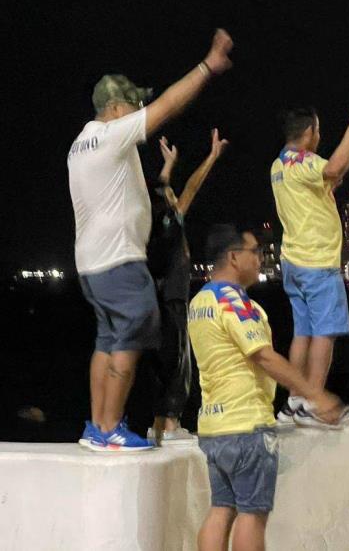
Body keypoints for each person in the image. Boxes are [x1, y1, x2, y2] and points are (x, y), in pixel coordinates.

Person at [69, 29, 233, 451]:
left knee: (108, 339)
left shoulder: (80, 144)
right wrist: (207, 67)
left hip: (90, 264)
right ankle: (110, 429)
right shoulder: (112, 134)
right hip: (119, 261)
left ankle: (97, 427)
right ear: (117, 107)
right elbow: (168, 106)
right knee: (137, 327)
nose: (139, 108)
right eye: (134, 104)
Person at [189, 225, 349, 551]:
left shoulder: (199, 301)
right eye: (255, 252)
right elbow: (263, 356)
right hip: (246, 425)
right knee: (252, 514)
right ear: (234, 257)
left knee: (222, 508)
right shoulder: (233, 301)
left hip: (213, 426)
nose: (260, 259)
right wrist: (315, 394)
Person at [270, 106, 349, 427]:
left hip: (293, 264)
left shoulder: (279, 165)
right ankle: (315, 402)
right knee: (325, 333)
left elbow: (340, 169)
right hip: (317, 263)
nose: (321, 135)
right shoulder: (303, 161)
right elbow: (336, 166)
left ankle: (294, 401)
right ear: (310, 132)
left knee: (303, 333)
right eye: (318, 130)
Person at [145, 128, 228, 445]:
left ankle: (157, 427)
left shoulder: (150, 227)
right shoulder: (171, 221)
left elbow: (161, 189)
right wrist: (212, 156)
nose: (173, 195)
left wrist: (168, 164)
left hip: (156, 300)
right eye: (168, 195)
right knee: (179, 364)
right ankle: (171, 424)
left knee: (159, 364)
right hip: (175, 299)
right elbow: (192, 187)